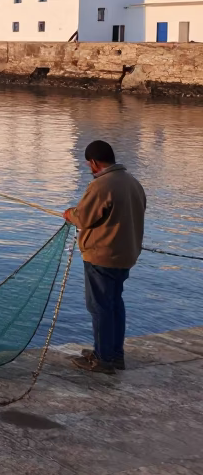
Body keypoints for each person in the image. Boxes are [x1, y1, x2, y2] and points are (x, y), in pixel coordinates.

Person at [63, 140, 146, 374]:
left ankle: (102, 359)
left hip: (103, 257)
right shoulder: (133, 182)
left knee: (99, 306)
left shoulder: (102, 185)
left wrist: (70, 214)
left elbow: (84, 217)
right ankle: (114, 354)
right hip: (126, 255)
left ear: (93, 162)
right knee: (114, 304)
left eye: (89, 165)